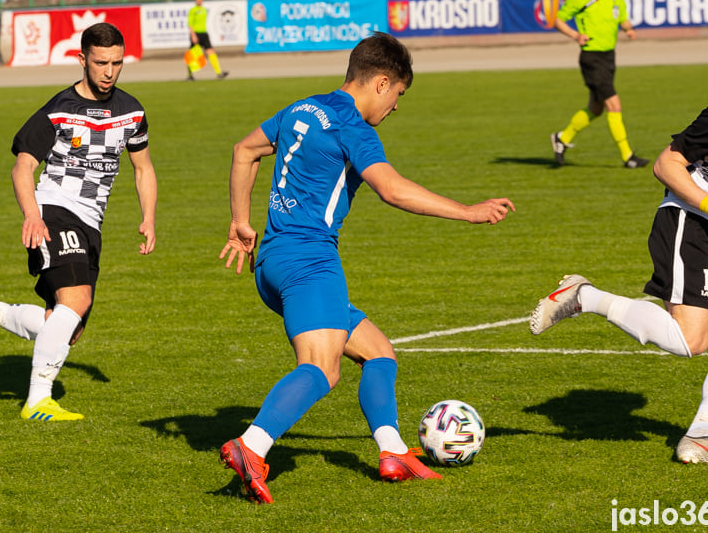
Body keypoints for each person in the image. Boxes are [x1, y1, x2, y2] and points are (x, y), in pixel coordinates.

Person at [218, 32, 515, 503]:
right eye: (398, 94)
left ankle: (392, 451)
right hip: (310, 261)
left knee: (379, 353)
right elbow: (392, 189)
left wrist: (240, 222)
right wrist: (467, 211)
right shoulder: (353, 128)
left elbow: (243, 150)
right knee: (322, 368)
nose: (396, 107)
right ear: (380, 83)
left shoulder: (303, 107)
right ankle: (252, 446)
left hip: (272, 262)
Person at [531, 39, 708, 464]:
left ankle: (701, 437)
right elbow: (665, 164)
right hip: (689, 218)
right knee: (691, 341)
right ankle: (585, 296)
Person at [0, 22, 158, 421]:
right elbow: (22, 167)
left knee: (64, 327)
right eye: (100, 63)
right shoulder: (57, 109)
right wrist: (32, 215)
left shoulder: (132, 111)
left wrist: (149, 217)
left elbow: (142, 168)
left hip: (91, 222)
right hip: (54, 210)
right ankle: (38, 401)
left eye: (116, 63)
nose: (109, 72)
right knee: (77, 300)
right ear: (82, 60)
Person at [550, 0, 648, 168]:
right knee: (614, 104)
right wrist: (576, 35)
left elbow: (622, 19)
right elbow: (558, 20)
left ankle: (562, 139)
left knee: (595, 108)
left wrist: (629, 29)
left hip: (609, 57)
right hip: (591, 57)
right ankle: (627, 156)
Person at [187, 0, 228, 81]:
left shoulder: (204, 10)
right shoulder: (193, 10)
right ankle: (190, 75)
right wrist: (193, 35)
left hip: (204, 34)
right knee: (193, 55)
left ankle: (219, 73)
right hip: (196, 34)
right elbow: (190, 24)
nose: (200, 0)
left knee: (211, 52)